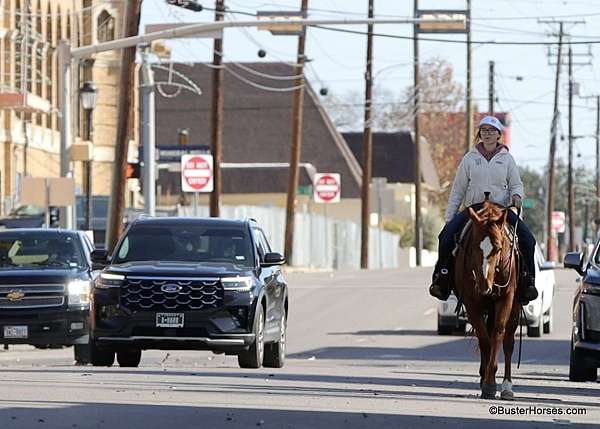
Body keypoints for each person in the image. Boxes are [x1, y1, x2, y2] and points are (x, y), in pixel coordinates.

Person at [429, 116, 538, 305]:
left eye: (491, 131)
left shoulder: (507, 159)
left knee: (528, 239)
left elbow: (516, 184)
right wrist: (449, 217)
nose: (487, 134)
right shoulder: (470, 158)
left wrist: (517, 196)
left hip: (500, 210)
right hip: (474, 209)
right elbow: (458, 189)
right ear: (479, 134)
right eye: (483, 131)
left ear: (498, 135)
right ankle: (442, 277)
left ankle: (528, 281)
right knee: (445, 237)